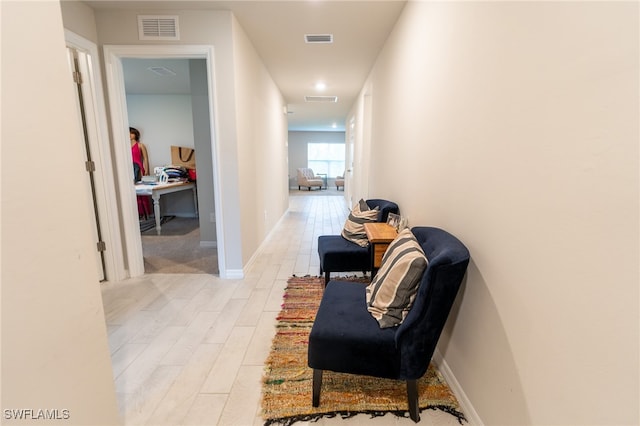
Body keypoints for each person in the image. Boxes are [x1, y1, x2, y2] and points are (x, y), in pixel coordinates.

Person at [130, 127, 151, 219]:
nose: (130, 135)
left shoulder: (140, 145)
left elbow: (145, 158)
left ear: (135, 134)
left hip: (138, 169)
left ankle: (144, 213)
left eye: (131, 133)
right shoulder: (124, 147)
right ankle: (135, 214)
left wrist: (146, 170)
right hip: (129, 169)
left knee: (141, 190)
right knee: (132, 191)